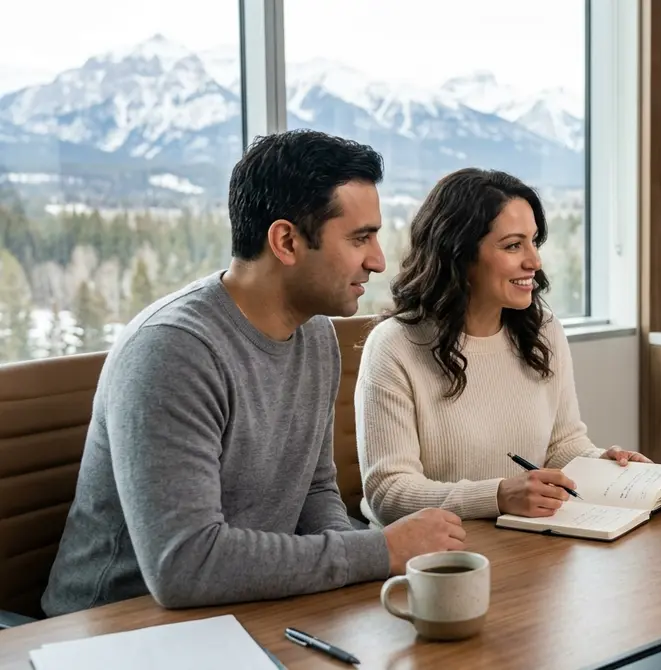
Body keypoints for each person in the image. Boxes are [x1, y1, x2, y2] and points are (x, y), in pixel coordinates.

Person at [41, 130, 466, 617]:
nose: (378, 259)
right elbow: (184, 565)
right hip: (118, 629)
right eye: (359, 237)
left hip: (244, 610)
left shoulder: (316, 337)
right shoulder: (175, 350)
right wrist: (380, 550)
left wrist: (372, 572)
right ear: (286, 241)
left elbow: (314, 490)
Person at [355, 167, 648, 526]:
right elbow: (389, 494)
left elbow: (561, 446)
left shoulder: (544, 331)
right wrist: (497, 496)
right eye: (513, 245)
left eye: (533, 241)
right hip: (433, 559)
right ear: (459, 254)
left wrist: (601, 465)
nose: (534, 261)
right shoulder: (394, 347)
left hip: (522, 541)